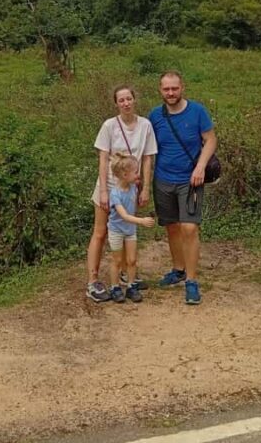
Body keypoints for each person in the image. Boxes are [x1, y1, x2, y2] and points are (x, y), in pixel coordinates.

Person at [149, 70, 217, 305]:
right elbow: (148, 148)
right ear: (160, 90)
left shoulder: (197, 111)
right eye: (166, 89)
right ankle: (178, 269)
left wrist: (200, 167)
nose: (171, 93)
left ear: (182, 87)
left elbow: (210, 139)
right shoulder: (155, 116)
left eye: (174, 88)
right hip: (163, 179)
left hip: (191, 179)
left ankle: (192, 280)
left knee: (189, 228)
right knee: (172, 226)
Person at [86, 84, 157, 302]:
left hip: (131, 186)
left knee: (127, 228)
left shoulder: (145, 125)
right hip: (108, 185)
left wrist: (145, 187)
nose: (126, 103)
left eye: (129, 99)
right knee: (101, 232)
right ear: (116, 103)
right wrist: (105, 192)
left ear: (135, 100)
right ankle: (93, 281)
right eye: (121, 100)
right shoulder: (109, 125)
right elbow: (103, 158)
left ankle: (126, 274)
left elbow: (147, 157)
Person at [106, 152, 155, 303]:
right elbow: (124, 215)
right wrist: (141, 221)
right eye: (135, 172)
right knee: (117, 260)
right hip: (116, 230)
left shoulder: (134, 187)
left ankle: (131, 287)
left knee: (132, 260)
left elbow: (132, 208)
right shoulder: (115, 193)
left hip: (130, 231)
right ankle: (114, 287)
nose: (138, 174)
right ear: (124, 175)